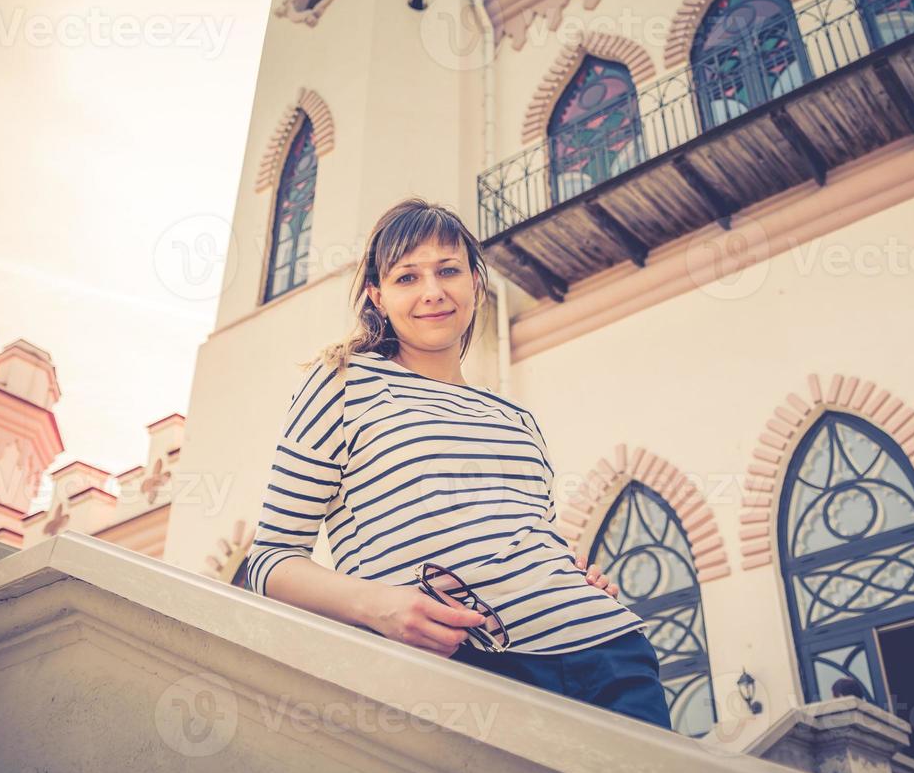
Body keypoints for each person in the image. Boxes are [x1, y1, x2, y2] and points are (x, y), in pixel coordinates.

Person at [243, 196, 673, 732]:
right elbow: (270, 560)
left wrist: (577, 576)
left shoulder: (515, 416)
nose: (432, 291)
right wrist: (381, 607)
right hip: (464, 666)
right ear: (377, 295)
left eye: (448, 270)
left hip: (612, 652)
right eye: (407, 277)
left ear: (474, 281)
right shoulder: (344, 382)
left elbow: (524, 536)